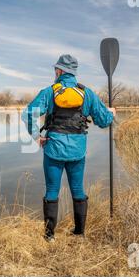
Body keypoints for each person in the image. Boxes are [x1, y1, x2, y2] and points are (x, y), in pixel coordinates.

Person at [22, 54, 115, 242]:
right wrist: (111, 114)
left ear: (59, 71)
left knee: (52, 191)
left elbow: (28, 114)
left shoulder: (50, 92)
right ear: (74, 72)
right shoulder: (87, 93)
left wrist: (37, 137)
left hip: (53, 150)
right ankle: (79, 233)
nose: (54, 72)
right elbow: (103, 121)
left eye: (55, 70)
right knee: (78, 190)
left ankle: (49, 236)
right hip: (77, 152)